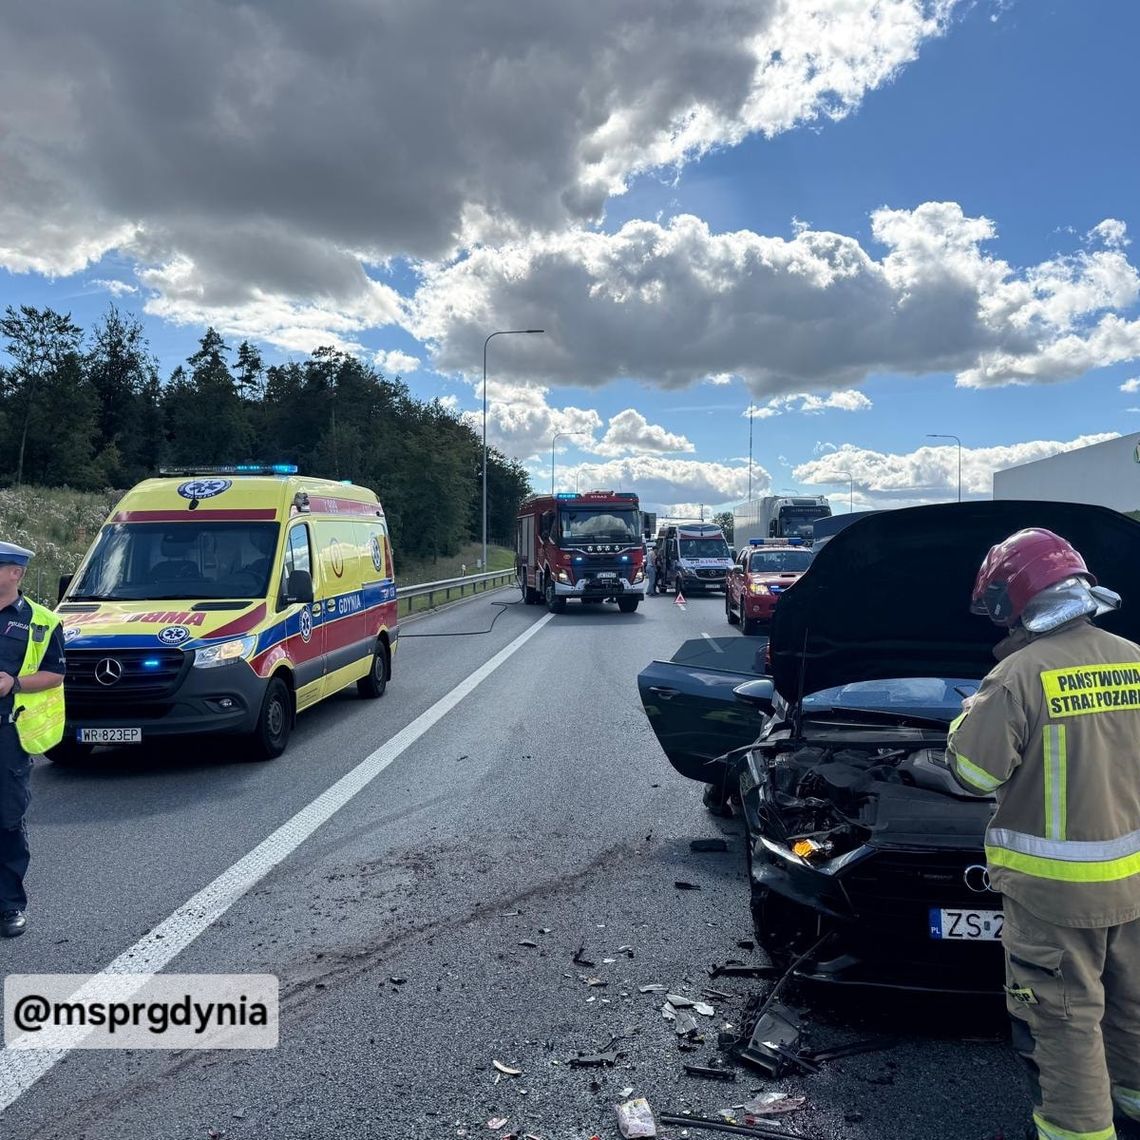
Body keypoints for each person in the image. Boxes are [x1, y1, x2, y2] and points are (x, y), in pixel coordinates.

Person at [946, 528, 1140, 1140]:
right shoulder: (1134, 658)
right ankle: (1132, 1104)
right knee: (1131, 1007)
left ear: (1015, 601)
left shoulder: (1017, 675)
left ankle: (1078, 1132)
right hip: (1133, 883)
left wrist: (961, 725)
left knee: (1064, 1022)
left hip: (1055, 895)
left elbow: (975, 774)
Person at [0, 541, 66, 938]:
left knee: (6, 821)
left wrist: (14, 683)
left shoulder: (41, 622)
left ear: (15, 573)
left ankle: (9, 907)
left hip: (8, 733)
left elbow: (56, 673)